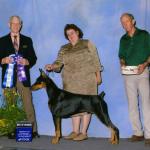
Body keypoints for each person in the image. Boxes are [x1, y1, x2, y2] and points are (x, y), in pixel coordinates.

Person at [45, 24, 103, 141]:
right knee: (73, 106)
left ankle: (83, 132)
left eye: (71, 33)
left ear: (77, 32)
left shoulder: (87, 43)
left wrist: (98, 75)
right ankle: (75, 131)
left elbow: (96, 60)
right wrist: (52, 66)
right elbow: (58, 62)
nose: (70, 36)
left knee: (87, 106)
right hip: (70, 82)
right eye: (67, 35)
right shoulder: (64, 48)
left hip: (87, 80)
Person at [0, 16, 39, 138]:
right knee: (10, 104)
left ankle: (33, 130)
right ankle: (10, 130)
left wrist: (27, 61)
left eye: (18, 24)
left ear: (21, 25)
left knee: (28, 103)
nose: (16, 26)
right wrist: (4, 60)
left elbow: (33, 58)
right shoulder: (1, 41)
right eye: (14, 23)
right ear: (9, 24)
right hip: (8, 77)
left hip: (23, 78)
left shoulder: (28, 40)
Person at [119, 13, 150, 145]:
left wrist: (145, 64)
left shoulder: (144, 35)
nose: (124, 24)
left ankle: (149, 135)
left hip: (143, 72)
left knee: (146, 103)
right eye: (122, 22)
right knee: (132, 104)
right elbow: (121, 56)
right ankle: (138, 132)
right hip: (128, 74)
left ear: (133, 21)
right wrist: (122, 64)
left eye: (126, 21)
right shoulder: (123, 39)